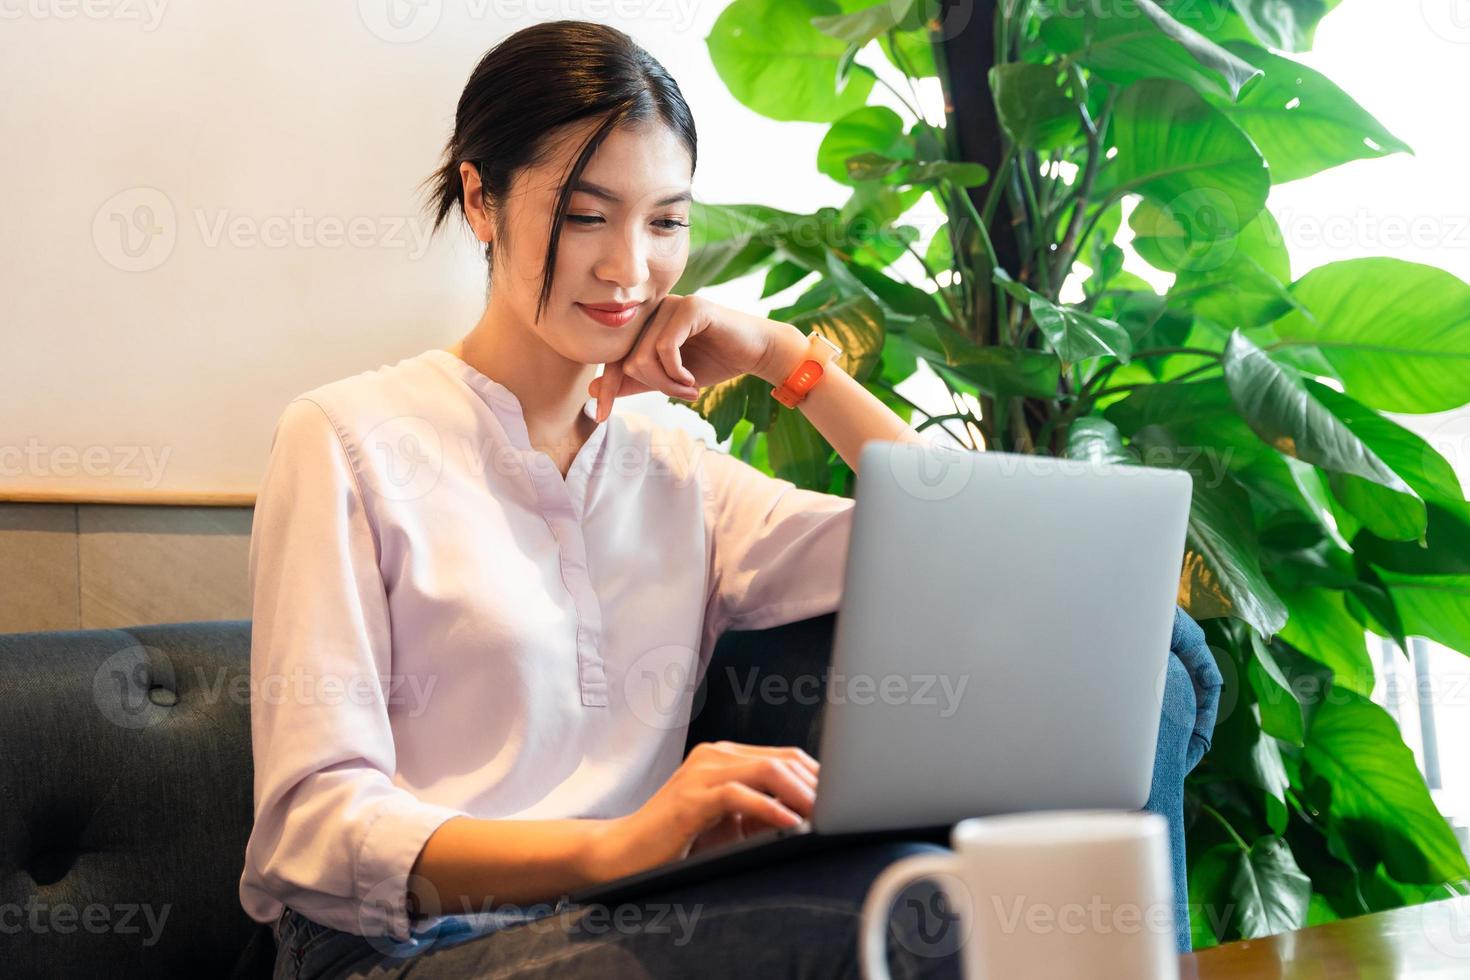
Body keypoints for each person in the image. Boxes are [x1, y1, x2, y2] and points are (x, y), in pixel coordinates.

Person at [238, 18, 957, 980]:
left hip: (626, 922)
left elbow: (953, 543)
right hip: (395, 951)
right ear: (480, 200)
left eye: (666, 221)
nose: (630, 267)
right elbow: (314, 829)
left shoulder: (675, 460)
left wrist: (785, 360)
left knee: (923, 895)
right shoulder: (344, 437)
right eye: (586, 215)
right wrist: (624, 846)